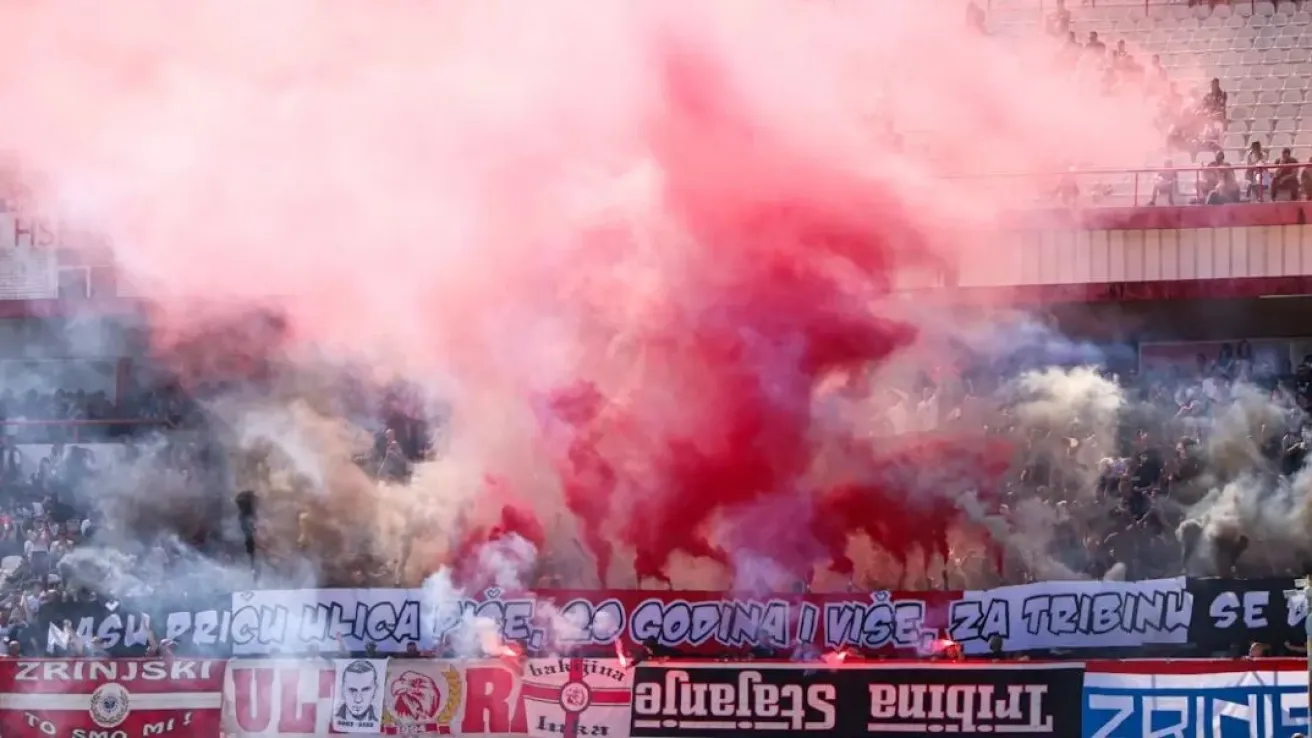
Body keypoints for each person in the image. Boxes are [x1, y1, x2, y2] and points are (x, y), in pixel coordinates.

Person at [334, 660, 381, 729]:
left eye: (365, 689)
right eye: (352, 690)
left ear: (375, 690)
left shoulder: (383, 718)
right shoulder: (331, 718)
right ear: (342, 690)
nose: (358, 699)